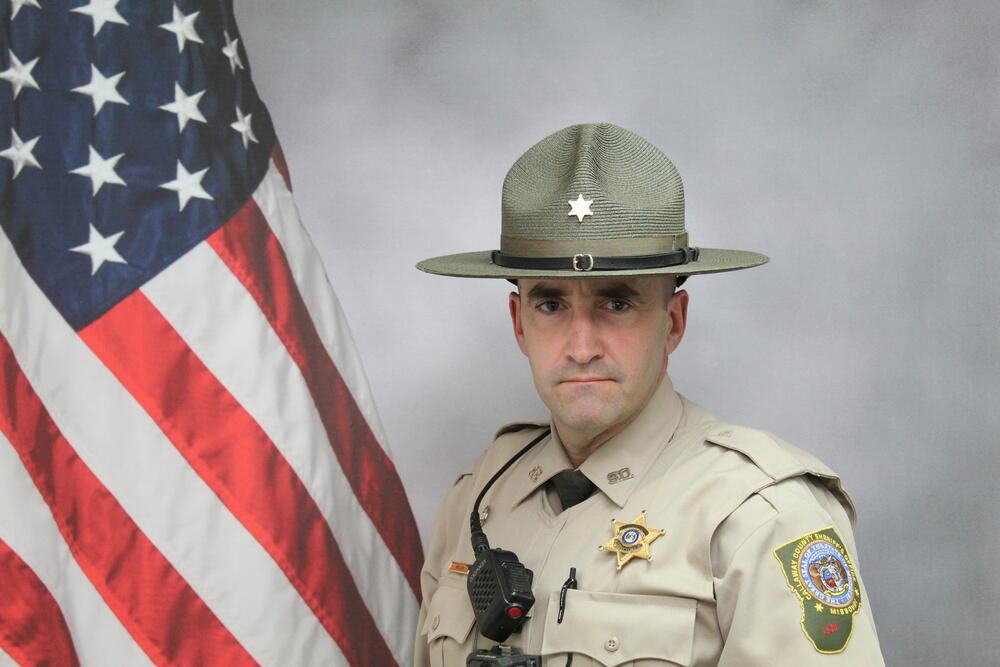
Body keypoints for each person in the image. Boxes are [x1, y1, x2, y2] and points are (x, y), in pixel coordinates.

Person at [413, 123, 884, 666]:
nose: (582, 346)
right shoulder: (480, 498)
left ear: (674, 322)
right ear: (519, 323)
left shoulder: (760, 516)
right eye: (551, 305)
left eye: (617, 304)